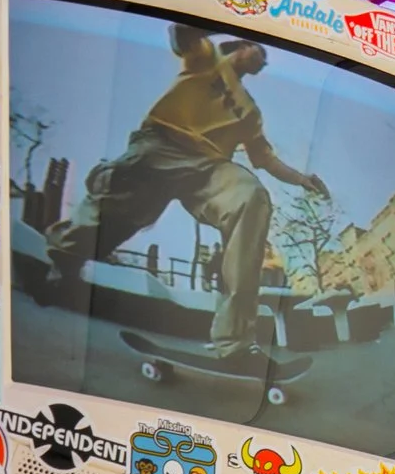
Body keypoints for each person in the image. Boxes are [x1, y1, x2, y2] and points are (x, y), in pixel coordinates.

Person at [46, 25, 327, 358]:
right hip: (161, 145)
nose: (263, 61)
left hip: (208, 168)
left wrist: (302, 179)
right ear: (242, 45)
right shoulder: (208, 57)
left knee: (250, 197)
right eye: (260, 52)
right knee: (118, 217)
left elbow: (265, 159)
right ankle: (64, 258)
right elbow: (182, 34)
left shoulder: (251, 112)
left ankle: (235, 341)